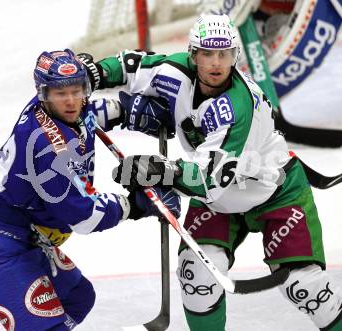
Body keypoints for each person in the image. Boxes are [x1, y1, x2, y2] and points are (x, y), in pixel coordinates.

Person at [79, 14, 342, 331]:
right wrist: (92, 74)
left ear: (235, 57)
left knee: (306, 288)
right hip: (220, 202)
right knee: (196, 276)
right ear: (193, 54)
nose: (216, 63)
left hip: (275, 193)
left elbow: (208, 179)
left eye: (225, 54)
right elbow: (131, 66)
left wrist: (160, 170)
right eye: (207, 53)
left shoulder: (237, 108)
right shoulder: (174, 70)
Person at [0, 49, 181, 331]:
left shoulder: (50, 106)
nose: (71, 101)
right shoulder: (47, 148)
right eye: (61, 94)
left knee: (76, 298)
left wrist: (126, 110)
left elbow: (85, 115)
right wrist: (135, 205)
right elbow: (81, 215)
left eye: (77, 90)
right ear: (44, 93)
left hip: (22, 233)